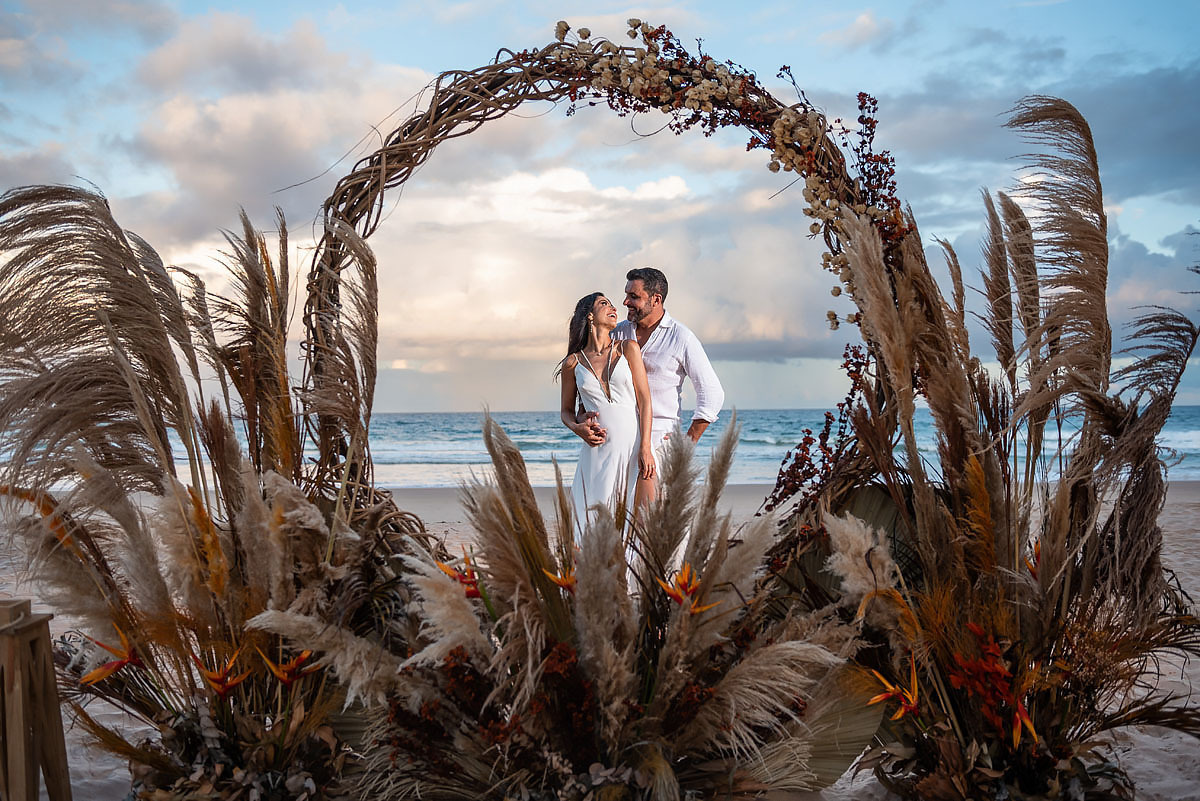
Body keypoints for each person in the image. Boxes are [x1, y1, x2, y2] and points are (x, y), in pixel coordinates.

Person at [609, 267, 724, 500]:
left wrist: (687, 444)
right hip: (618, 439)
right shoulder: (618, 333)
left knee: (649, 523)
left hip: (659, 444)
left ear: (656, 299)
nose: (625, 302)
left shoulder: (681, 337)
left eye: (634, 296)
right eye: (626, 294)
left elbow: (712, 395)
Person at [558, 292, 655, 542]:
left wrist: (646, 446)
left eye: (613, 304)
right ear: (590, 315)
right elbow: (566, 412)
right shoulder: (573, 363)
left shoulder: (628, 348)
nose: (613, 307)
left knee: (632, 525)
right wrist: (577, 428)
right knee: (592, 522)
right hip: (597, 453)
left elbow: (644, 400)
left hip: (633, 449)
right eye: (604, 304)